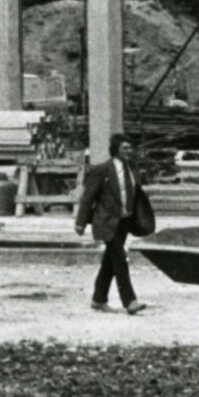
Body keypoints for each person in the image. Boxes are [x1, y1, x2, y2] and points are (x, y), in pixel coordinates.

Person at [75, 132, 155, 313]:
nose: (129, 151)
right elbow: (88, 198)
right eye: (125, 148)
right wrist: (80, 222)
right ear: (116, 150)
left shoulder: (132, 168)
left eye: (130, 147)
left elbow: (135, 193)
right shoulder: (102, 170)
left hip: (124, 222)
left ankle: (98, 299)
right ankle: (130, 302)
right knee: (120, 259)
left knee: (110, 262)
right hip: (106, 222)